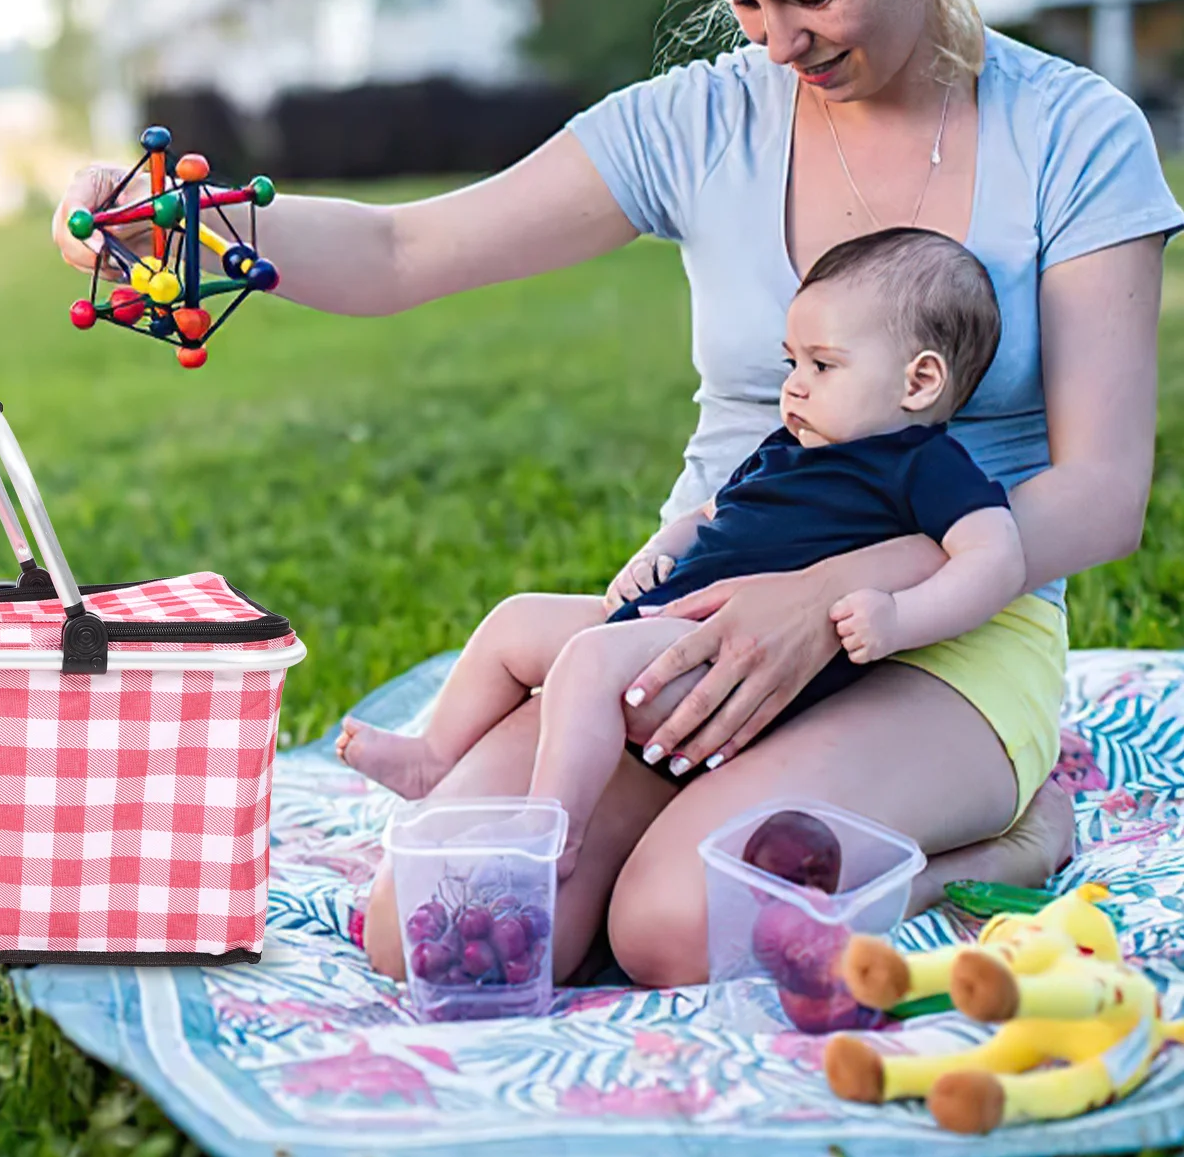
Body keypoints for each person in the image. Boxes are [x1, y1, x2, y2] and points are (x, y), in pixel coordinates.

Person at [54, 0, 1184, 988]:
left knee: (673, 927)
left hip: (944, 624)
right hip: (698, 609)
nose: (776, 42)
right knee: (435, 936)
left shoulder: (1076, 137)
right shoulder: (698, 121)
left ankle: (1006, 838)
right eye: (742, 1)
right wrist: (179, 232)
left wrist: (825, 600)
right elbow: (408, 246)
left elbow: (1101, 496)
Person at [333, 228, 1028, 883]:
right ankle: (434, 757)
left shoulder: (921, 465)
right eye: (792, 363)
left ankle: (552, 832)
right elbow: (710, 516)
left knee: (588, 663)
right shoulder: (787, 450)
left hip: (727, 666)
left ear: (919, 381)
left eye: (823, 365)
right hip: (669, 626)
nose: (794, 385)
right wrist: (657, 549)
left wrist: (900, 619)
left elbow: (994, 559)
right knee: (518, 622)